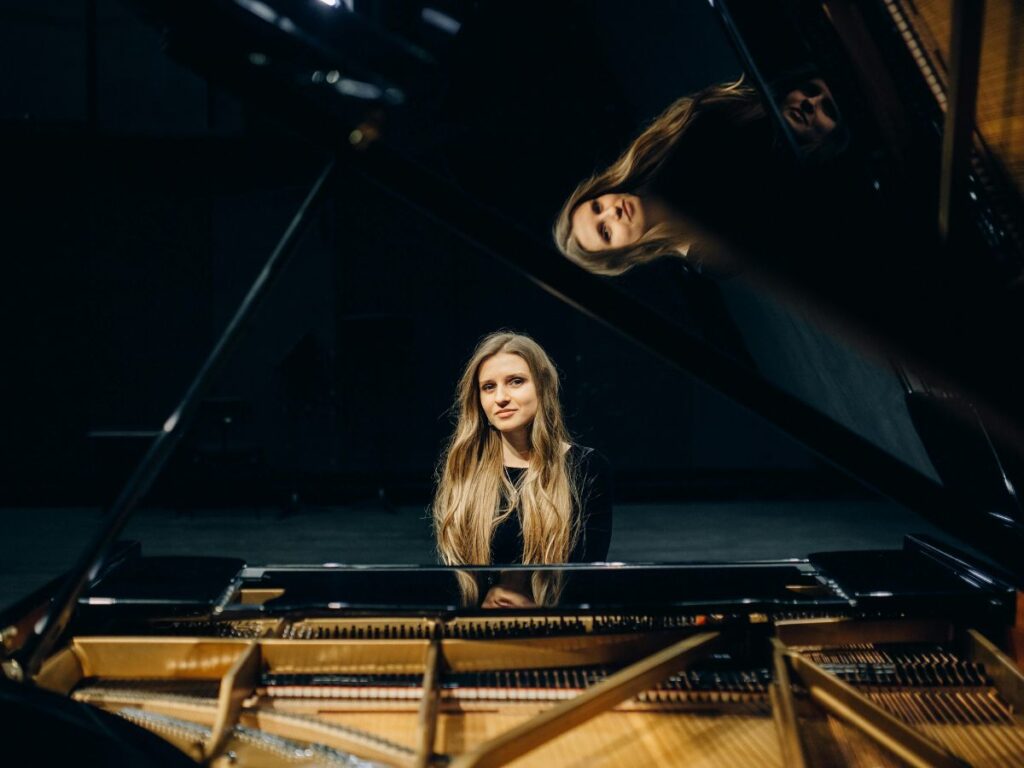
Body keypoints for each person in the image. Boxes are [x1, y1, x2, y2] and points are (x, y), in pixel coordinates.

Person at [553, 77, 847, 277]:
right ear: (622, 255)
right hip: (841, 156)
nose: (611, 211)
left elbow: (747, 98)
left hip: (814, 89)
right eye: (606, 232)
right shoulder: (706, 256)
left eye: (596, 206)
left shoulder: (661, 146)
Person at [432, 331, 612, 608]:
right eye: (488, 387)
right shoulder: (465, 469)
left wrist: (535, 604)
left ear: (543, 387)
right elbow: (452, 575)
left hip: (556, 630)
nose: (501, 397)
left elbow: (587, 575)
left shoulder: (586, 467)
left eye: (516, 382)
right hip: (478, 626)